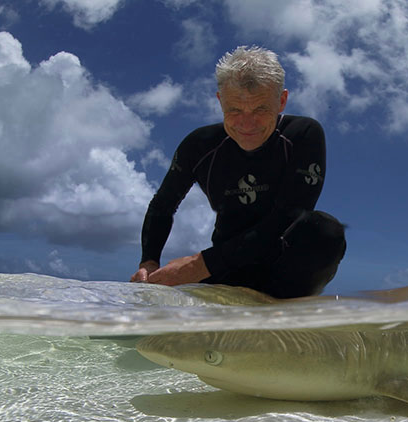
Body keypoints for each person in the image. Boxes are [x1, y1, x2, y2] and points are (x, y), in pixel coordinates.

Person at [130, 46, 346, 299]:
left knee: (325, 230)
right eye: (234, 110)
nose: (247, 124)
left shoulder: (302, 134)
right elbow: (162, 205)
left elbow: (289, 216)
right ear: (220, 100)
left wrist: (198, 265)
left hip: (284, 270)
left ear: (282, 101)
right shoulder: (199, 146)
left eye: (260, 110)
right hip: (227, 269)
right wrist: (149, 262)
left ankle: (288, 313)